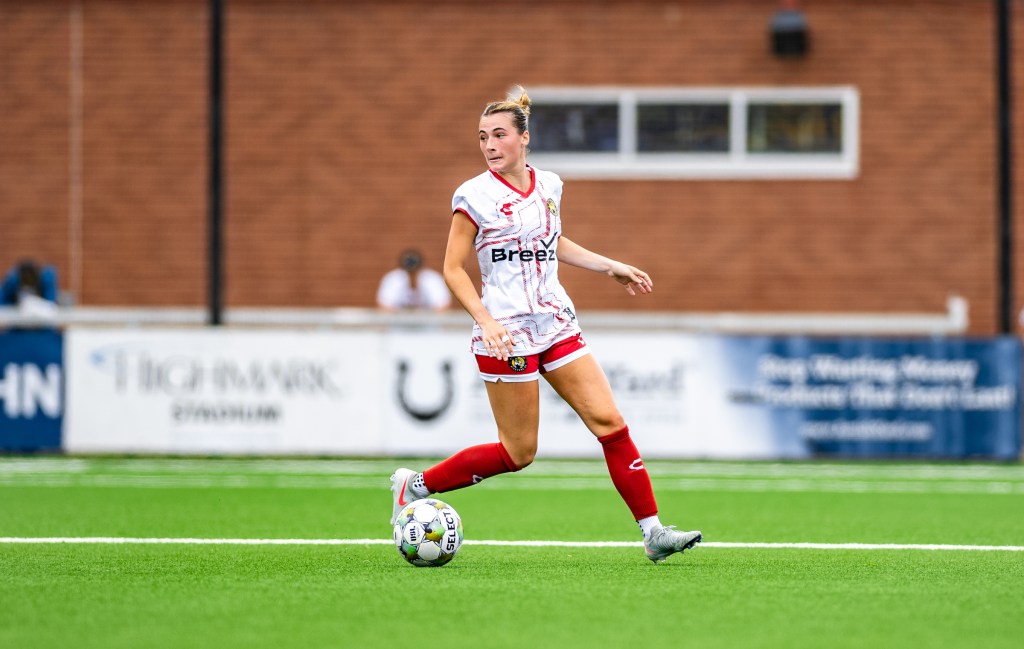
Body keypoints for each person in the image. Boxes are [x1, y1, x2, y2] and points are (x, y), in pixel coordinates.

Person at [390, 87, 702, 563]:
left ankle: (653, 532)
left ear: (524, 138)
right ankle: (416, 485)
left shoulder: (551, 185)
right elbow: (453, 268)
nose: (490, 145)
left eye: (499, 135)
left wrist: (609, 265)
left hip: (555, 321)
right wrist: (486, 320)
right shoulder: (473, 196)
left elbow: (551, 242)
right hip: (506, 332)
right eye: (482, 137)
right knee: (518, 453)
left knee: (611, 424)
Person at [376, 249, 451, 311]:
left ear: (421, 268)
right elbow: (383, 307)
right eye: (409, 272)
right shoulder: (392, 280)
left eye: (415, 271)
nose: (412, 275)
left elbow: (443, 306)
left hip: (428, 328)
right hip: (398, 328)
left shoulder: (433, 280)